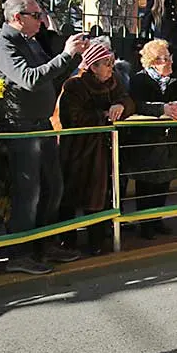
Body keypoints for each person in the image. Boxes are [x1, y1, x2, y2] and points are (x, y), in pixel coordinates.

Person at [0, 0, 89, 274]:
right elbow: (30, 79)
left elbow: (49, 75)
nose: (41, 21)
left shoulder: (29, 42)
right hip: (20, 127)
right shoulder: (4, 45)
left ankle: (45, 243)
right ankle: (20, 253)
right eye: (36, 15)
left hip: (41, 124)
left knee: (53, 186)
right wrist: (66, 55)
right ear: (17, 17)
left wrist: (74, 58)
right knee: (28, 192)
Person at [58, 43, 135, 255]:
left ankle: (97, 241)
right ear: (93, 66)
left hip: (105, 149)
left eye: (111, 63)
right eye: (106, 64)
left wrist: (121, 106)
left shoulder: (114, 83)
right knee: (72, 196)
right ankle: (67, 240)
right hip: (79, 150)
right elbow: (72, 117)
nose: (111, 68)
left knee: (101, 196)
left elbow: (128, 101)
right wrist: (103, 115)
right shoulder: (74, 85)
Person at [123, 40, 177, 240]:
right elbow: (137, 105)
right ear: (152, 62)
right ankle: (145, 224)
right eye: (163, 59)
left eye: (169, 57)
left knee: (164, 181)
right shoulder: (139, 80)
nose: (169, 62)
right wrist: (161, 109)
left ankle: (157, 219)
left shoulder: (176, 79)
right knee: (147, 183)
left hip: (169, 139)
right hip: (146, 140)